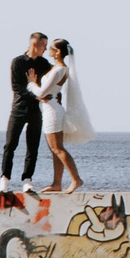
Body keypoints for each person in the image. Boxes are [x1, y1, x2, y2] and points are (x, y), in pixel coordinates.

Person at [36, 37, 94, 192]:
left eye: (52, 48)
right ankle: (57, 183)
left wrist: (31, 84)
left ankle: (76, 179)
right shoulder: (57, 69)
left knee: (57, 148)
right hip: (50, 109)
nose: (49, 50)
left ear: (58, 52)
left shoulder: (60, 69)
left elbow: (42, 91)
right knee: (54, 149)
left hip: (53, 111)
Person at [0, 31, 50, 192]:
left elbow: (52, 82)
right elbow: (17, 88)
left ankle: (27, 180)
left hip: (35, 111)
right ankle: (4, 179)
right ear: (35, 45)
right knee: (10, 145)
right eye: (44, 46)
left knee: (32, 147)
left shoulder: (44, 64)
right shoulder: (18, 62)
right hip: (19, 109)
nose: (46, 49)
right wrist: (36, 94)